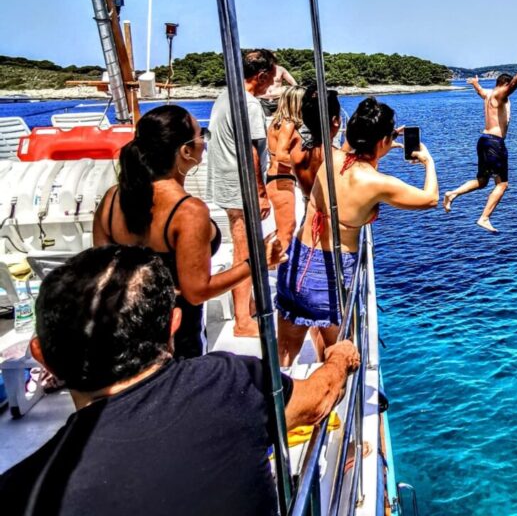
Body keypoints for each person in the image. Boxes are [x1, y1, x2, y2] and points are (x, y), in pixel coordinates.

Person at [0, 244, 359, 516]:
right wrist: (339, 357)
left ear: (42, 355)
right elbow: (318, 398)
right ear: (173, 324)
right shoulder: (228, 382)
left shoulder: (22, 494)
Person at [93, 105, 281, 359]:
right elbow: (197, 292)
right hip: (177, 337)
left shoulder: (112, 199)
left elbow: (103, 270)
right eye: (201, 134)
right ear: (185, 151)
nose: (204, 141)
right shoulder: (188, 212)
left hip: (124, 330)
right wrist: (257, 261)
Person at [276, 97, 437, 365]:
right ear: (382, 141)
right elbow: (430, 198)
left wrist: (380, 138)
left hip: (296, 261)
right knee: (339, 361)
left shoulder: (331, 155)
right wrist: (428, 161)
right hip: (330, 274)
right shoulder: (378, 183)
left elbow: (354, 146)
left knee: (283, 356)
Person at [207, 50, 275, 337]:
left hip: (227, 181)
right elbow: (250, 151)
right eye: (270, 79)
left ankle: (249, 305)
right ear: (259, 76)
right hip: (241, 188)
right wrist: (260, 192)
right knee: (245, 251)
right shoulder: (248, 105)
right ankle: (243, 322)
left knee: (247, 246)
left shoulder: (226, 96)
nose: (271, 85)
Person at [444, 54, 517, 232]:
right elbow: (513, 85)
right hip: (495, 143)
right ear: (505, 85)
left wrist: (476, 84)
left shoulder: (488, 94)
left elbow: (480, 90)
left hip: (483, 141)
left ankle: (452, 193)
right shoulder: (500, 94)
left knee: (482, 181)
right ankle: (484, 218)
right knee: (502, 184)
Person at [289, 84, 344, 200]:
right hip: (332, 216)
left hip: (309, 212)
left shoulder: (296, 154)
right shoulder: (337, 158)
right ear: (335, 121)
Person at [267, 85, 304, 245]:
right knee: (287, 230)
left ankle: (277, 263)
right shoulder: (287, 125)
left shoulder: (277, 122)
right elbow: (282, 155)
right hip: (281, 181)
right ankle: (282, 268)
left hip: (276, 178)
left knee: (283, 228)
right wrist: (304, 163)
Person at [256, 48, 297, 116]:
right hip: (262, 100)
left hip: (279, 100)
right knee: (266, 123)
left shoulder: (281, 69)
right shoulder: (258, 70)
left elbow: (294, 84)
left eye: (273, 58)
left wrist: (287, 93)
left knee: (281, 123)